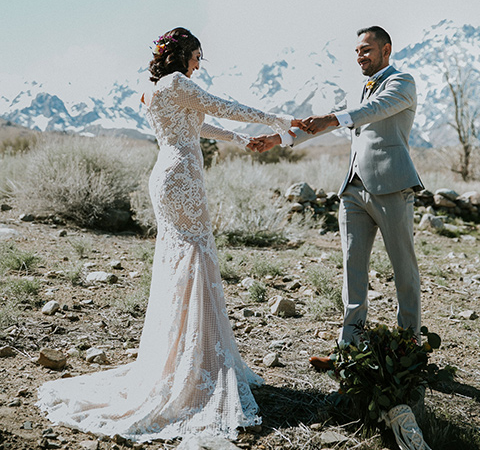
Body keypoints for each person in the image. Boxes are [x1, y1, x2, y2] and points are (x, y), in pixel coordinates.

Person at [37, 27, 295, 441]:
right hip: (182, 176)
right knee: (195, 257)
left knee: (184, 259)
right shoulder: (179, 83)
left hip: (169, 172)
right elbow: (222, 106)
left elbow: (196, 128)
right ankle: (195, 365)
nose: (199, 63)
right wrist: (278, 120)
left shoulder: (155, 89)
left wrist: (241, 139)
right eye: (197, 55)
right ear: (183, 54)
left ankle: (189, 357)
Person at [252, 26, 422, 367]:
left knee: (404, 270)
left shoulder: (402, 83)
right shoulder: (362, 91)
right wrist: (278, 140)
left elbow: (370, 111)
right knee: (352, 270)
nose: (360, 56)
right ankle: (350, 348)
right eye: (357, 51)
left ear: (386, 50)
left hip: (392, 188)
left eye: (366, 50)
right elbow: (329, 123)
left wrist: (334, 116)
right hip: (353, 192)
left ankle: (409, 349)